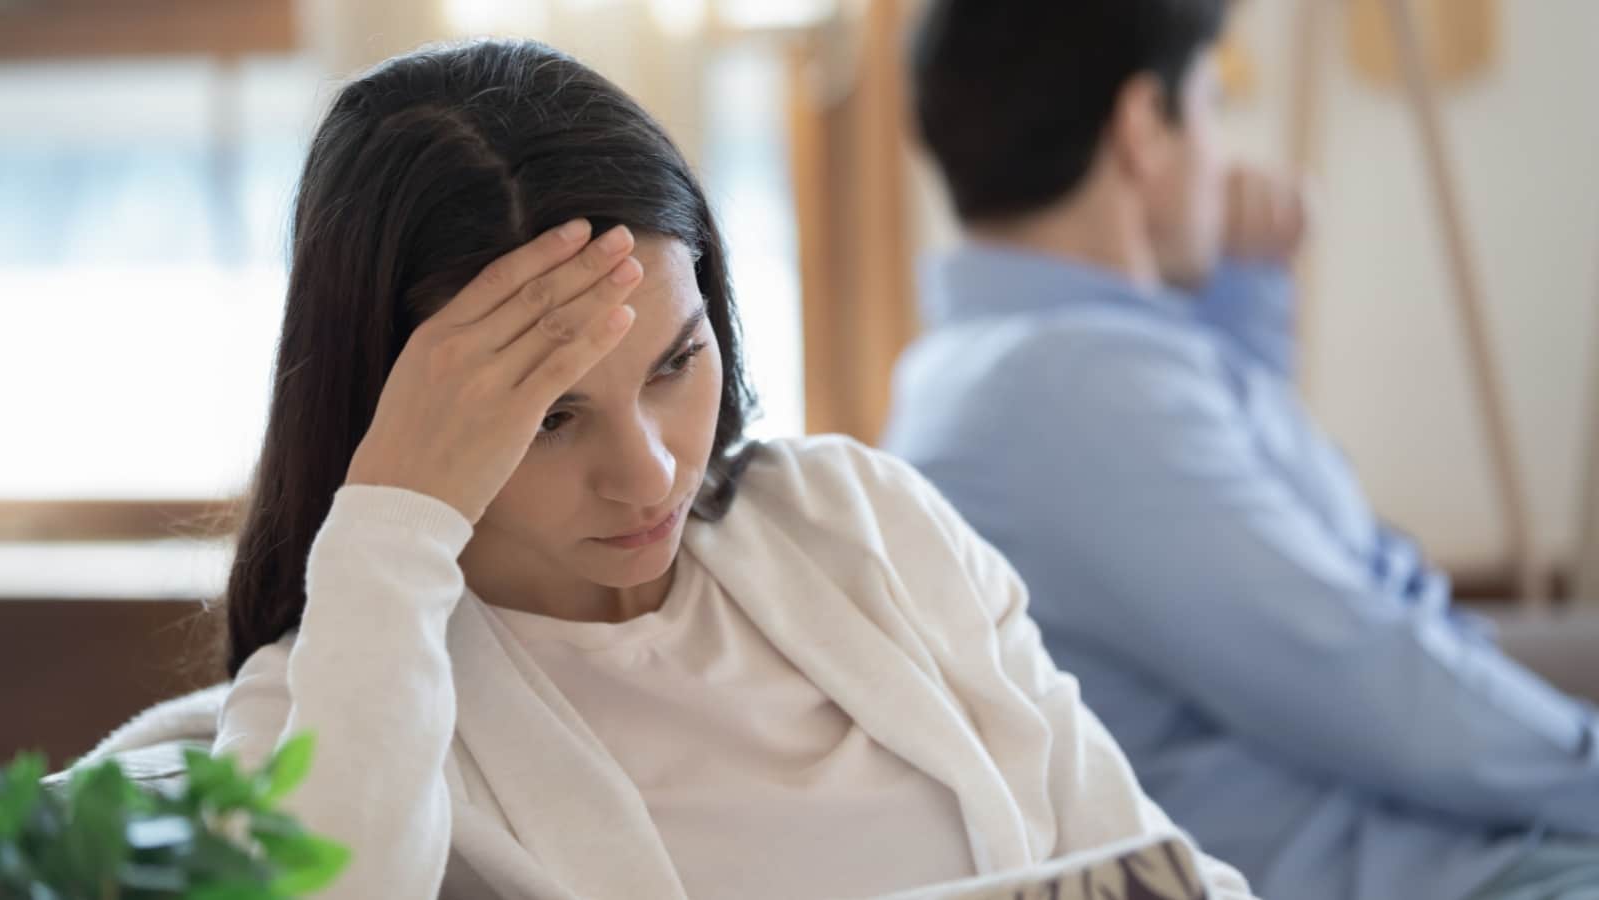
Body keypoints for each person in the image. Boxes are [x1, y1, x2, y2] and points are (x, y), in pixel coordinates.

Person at [207, 38, 1252, 900]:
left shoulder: (863, 521)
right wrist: (392, 522)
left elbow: (1146, 866)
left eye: (675, 362)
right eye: (550, 417)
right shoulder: (324, 707)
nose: (650, 471)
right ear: (401, 419)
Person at [881, 2, 1599, 900]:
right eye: (1214, 104)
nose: (1226, 156)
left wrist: (1241, 287)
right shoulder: (1076, 392)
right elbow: (1364, 677)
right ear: (1144, 128)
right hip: (1435, 865)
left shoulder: (1012, 362)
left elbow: (1276, 521)